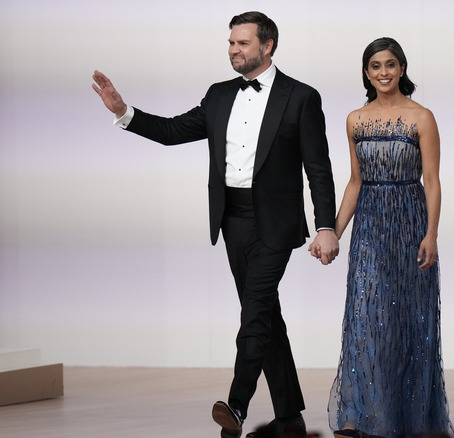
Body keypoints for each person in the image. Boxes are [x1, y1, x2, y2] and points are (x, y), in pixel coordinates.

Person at [91, 11, 339, 438]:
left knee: (254, 311)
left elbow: (318, 167)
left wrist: (326, 226)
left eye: (242, 43)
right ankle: (289, 412)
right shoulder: (219, 94)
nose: (233, 50)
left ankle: (237, 406)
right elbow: (172, 131)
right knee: (264, 315)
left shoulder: (301, 97)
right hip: (232, 221)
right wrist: (125, 112)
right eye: (230, 43)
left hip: (277, 224)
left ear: (268, 46)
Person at [322, 37, 454, 438]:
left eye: (391, 65)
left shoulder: (422, 118)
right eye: (376, 66)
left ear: (402, 69)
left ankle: (405, 420)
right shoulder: (354, 120)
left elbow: (431, 181)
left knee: (407, 324)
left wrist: (431, 234)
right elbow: (355, 182)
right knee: (365, 320)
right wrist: (333, 231)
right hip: (368, 231)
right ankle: (359, 417)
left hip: (410, 225)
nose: (384, 72)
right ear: (366, 72)